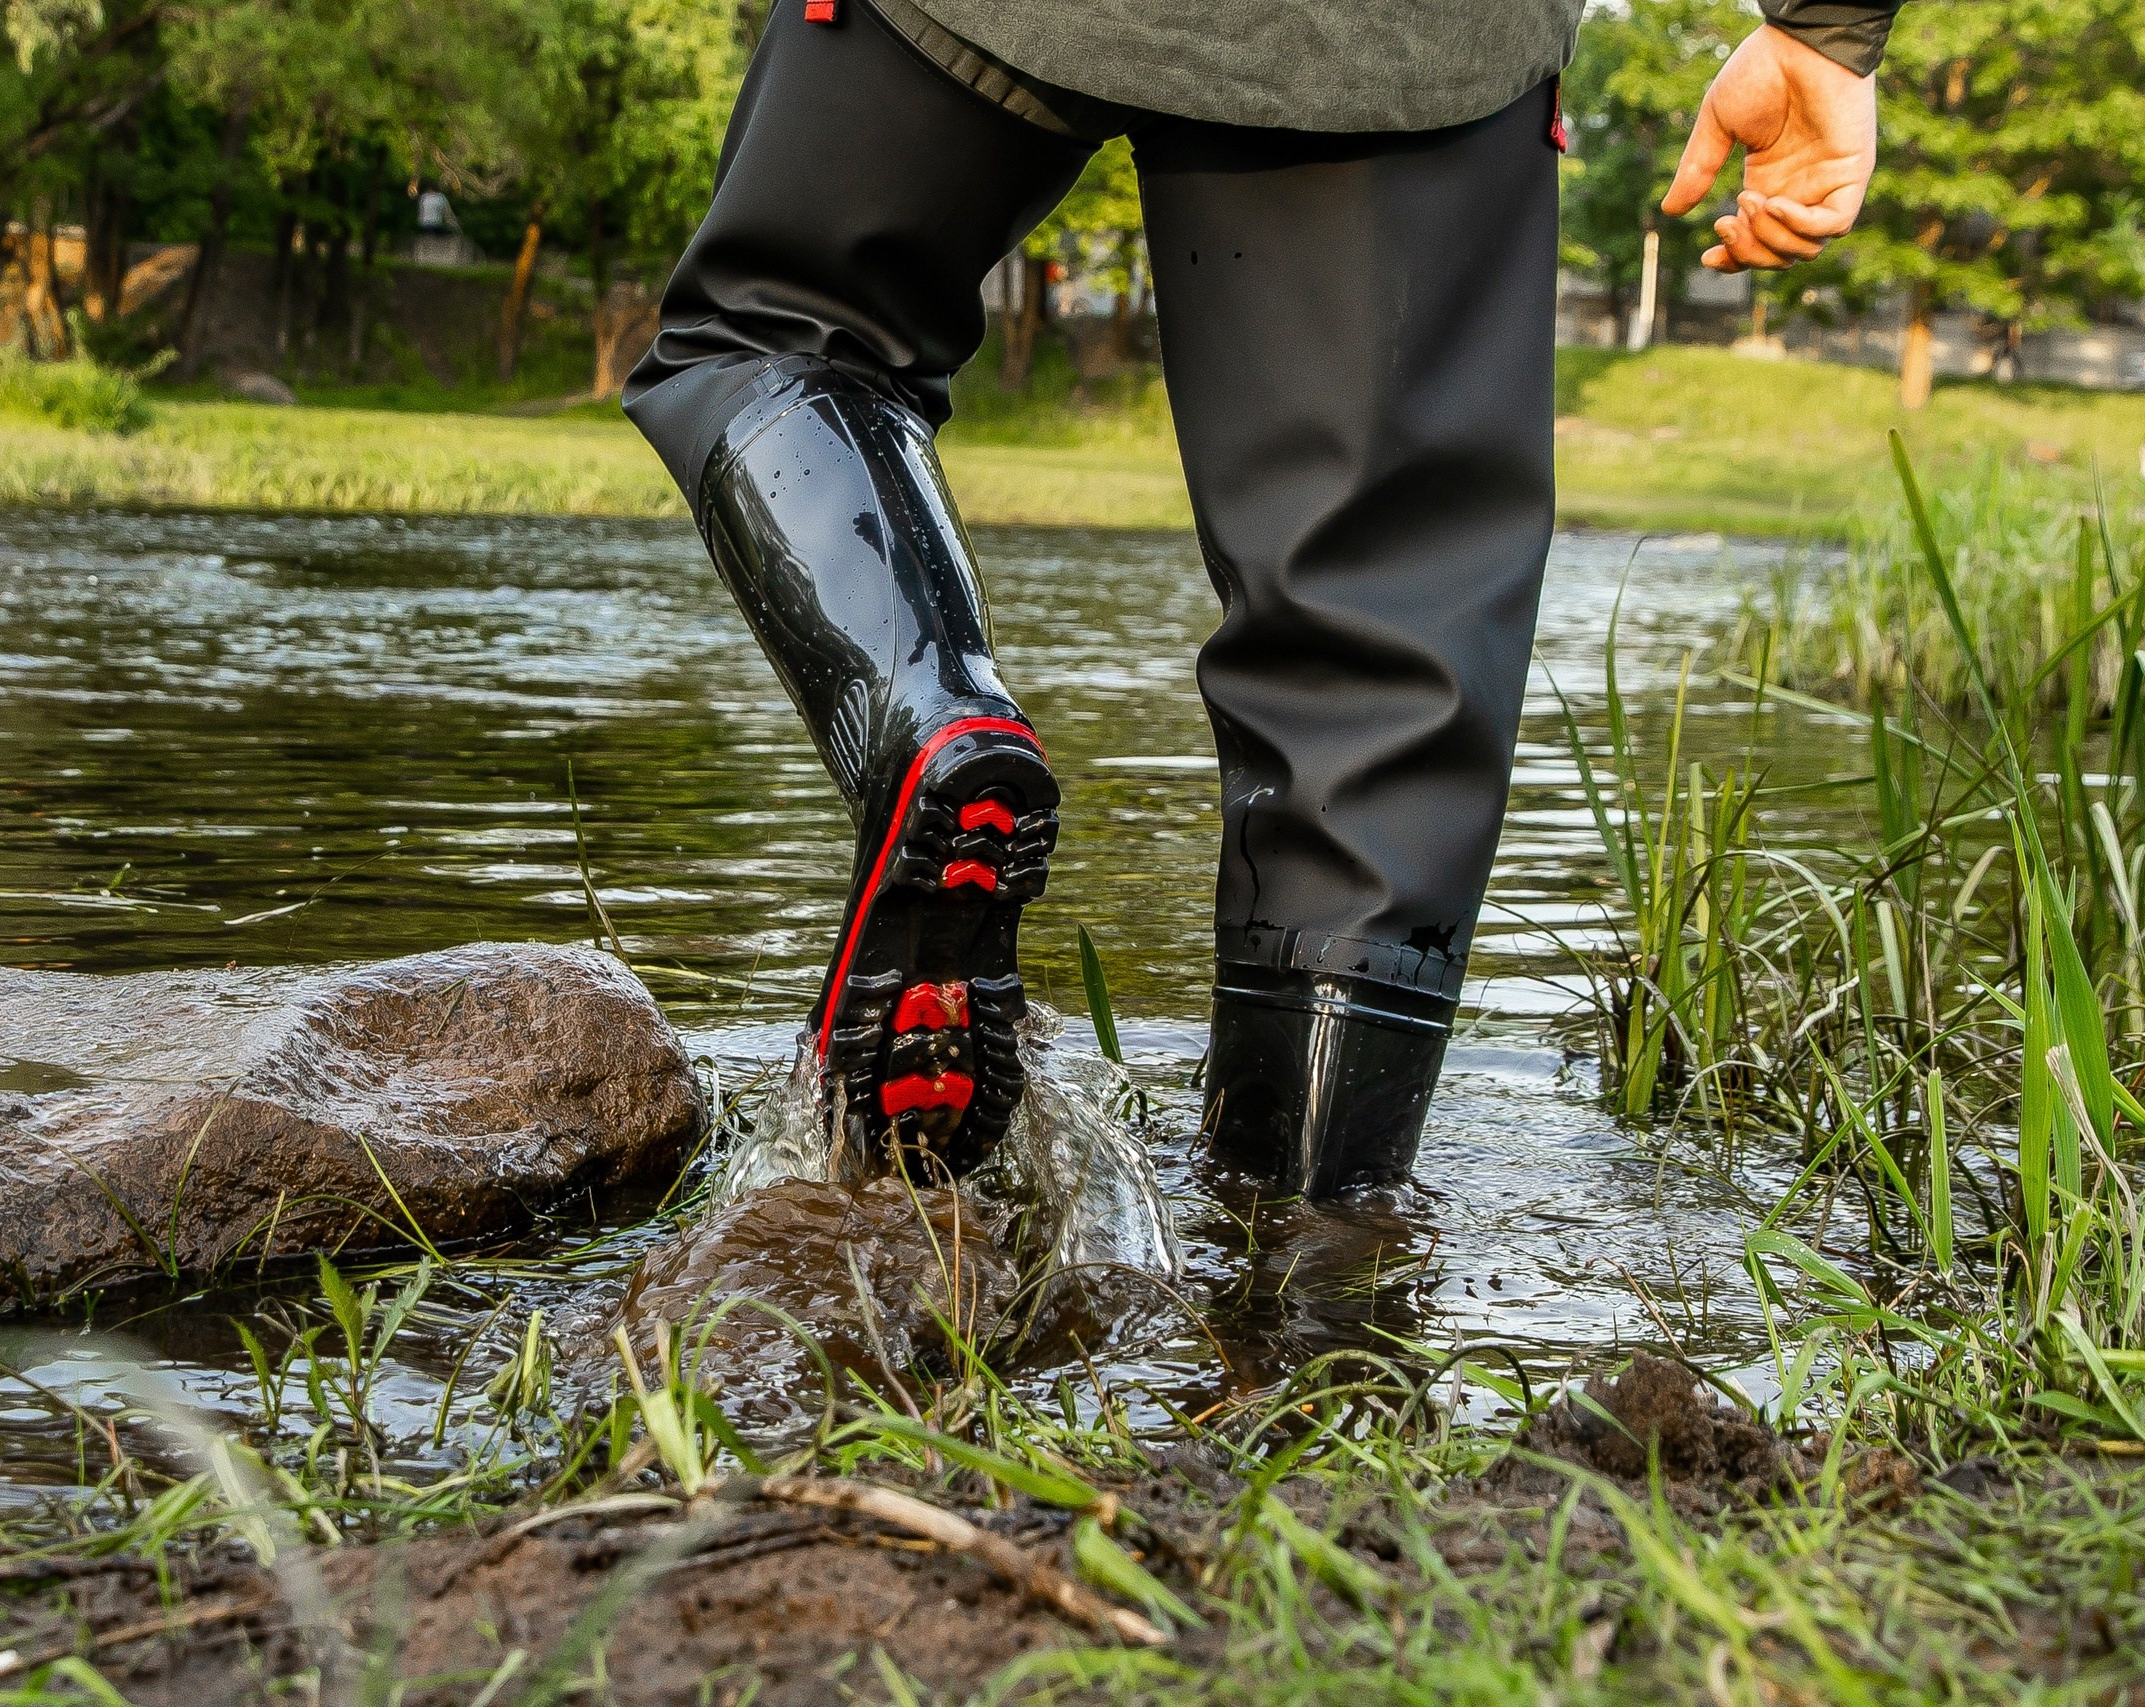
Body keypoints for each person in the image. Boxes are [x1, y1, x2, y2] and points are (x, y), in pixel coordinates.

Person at [624, 0, 1899, 1197]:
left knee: (786, 330)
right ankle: (1306, 1263)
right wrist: (1826, 28)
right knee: (1376, 622)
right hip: (1404, 42)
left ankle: (931, 712)